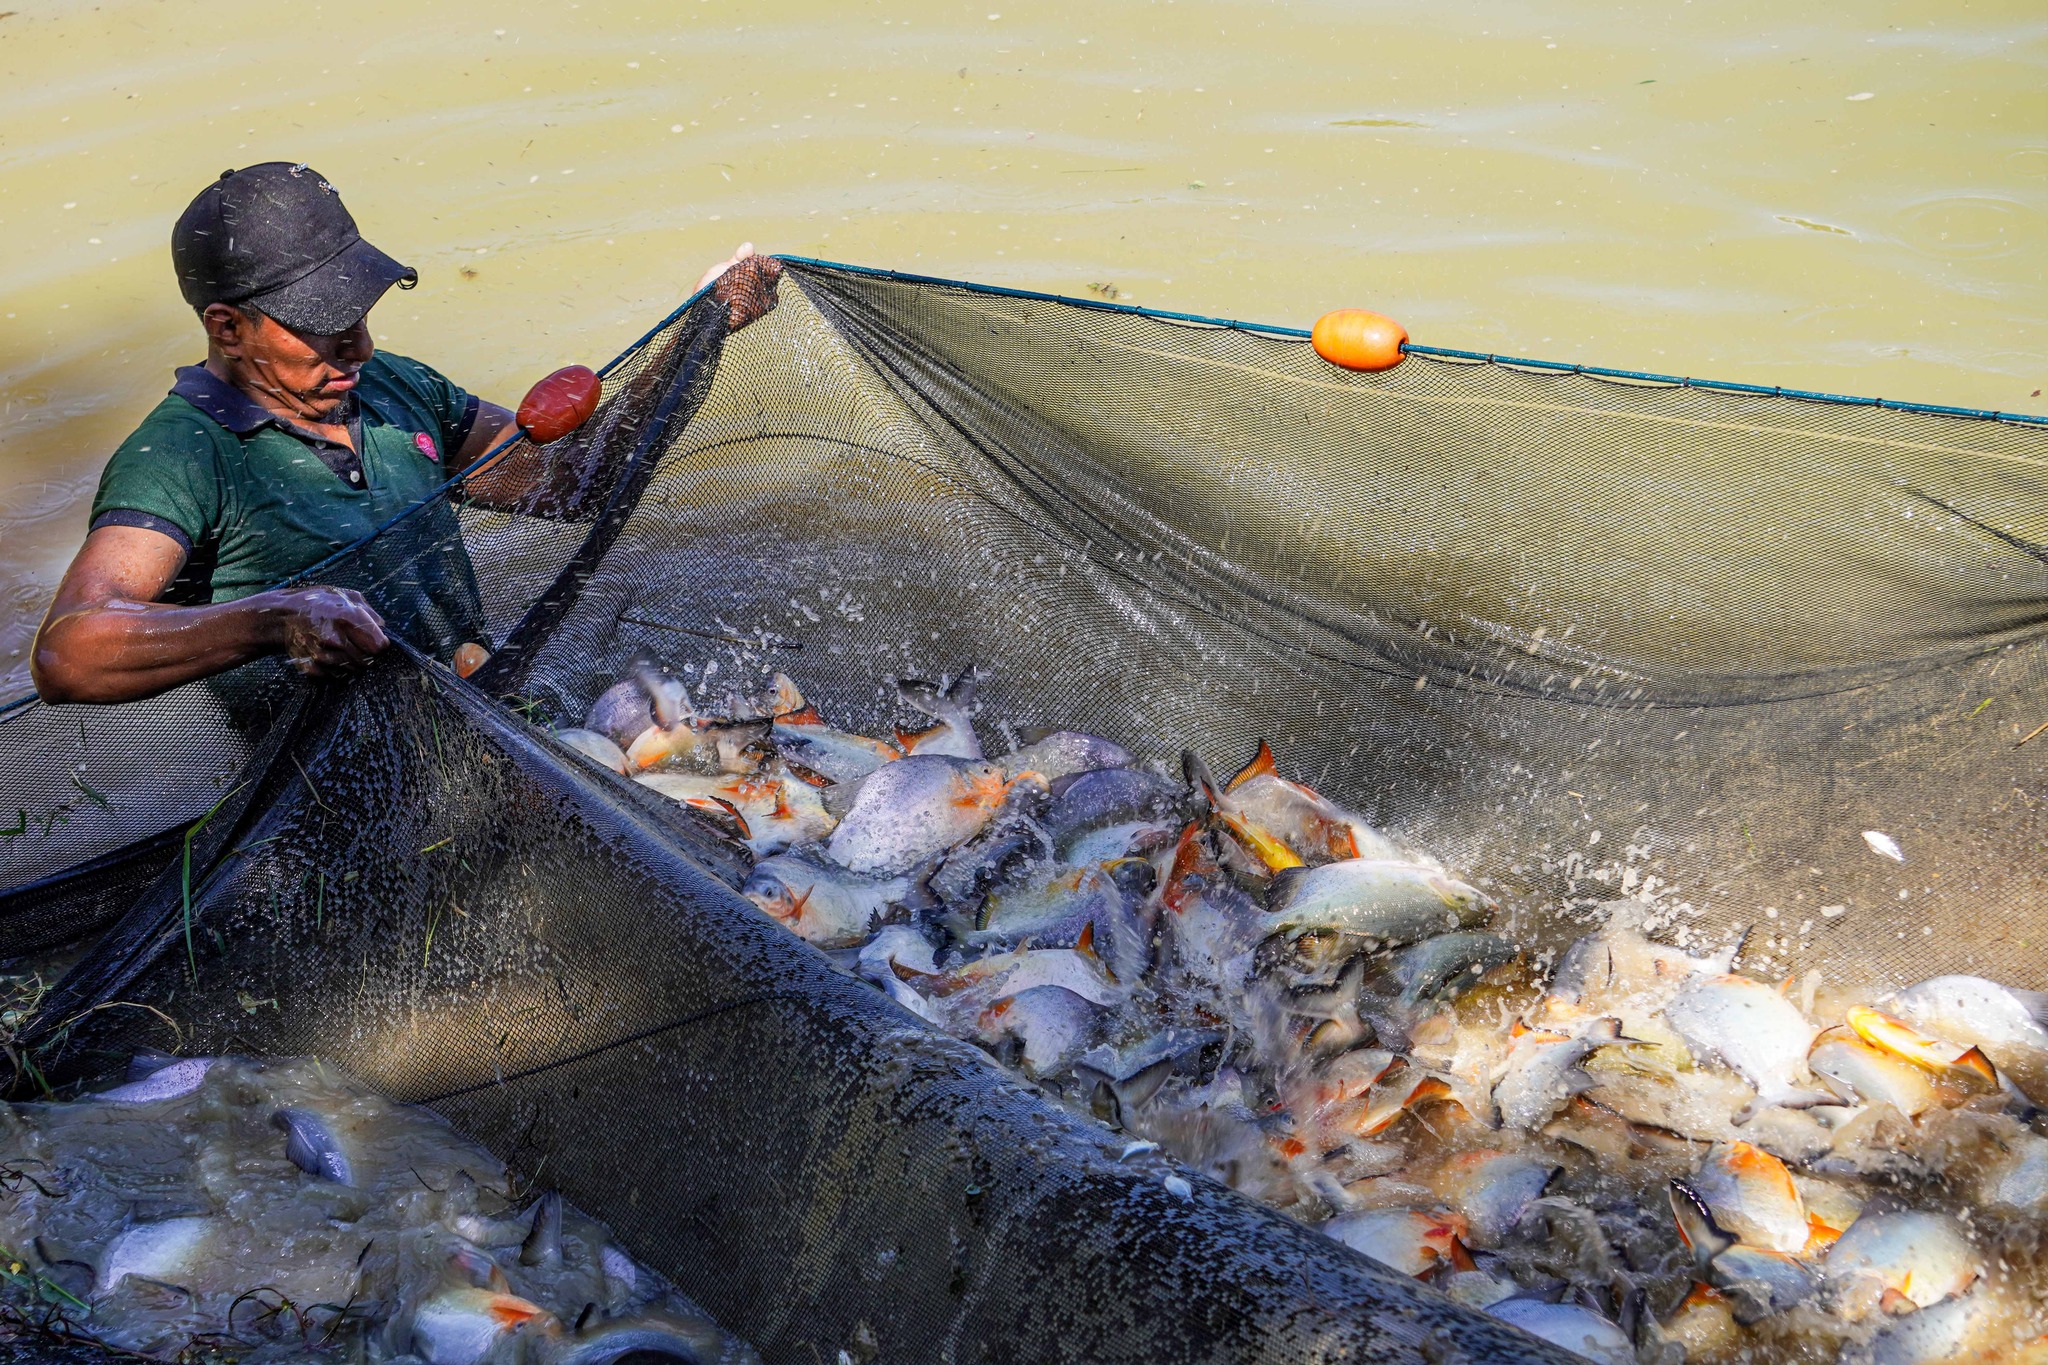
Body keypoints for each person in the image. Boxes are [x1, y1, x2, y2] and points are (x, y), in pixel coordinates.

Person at [30, 161, 781, 705]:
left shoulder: (393, 389)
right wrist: (278, 619)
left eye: (358, 312)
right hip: (319, 782)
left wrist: (699, 332)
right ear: (227, 327)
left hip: (469, 706)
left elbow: (577, 485)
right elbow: (70, 649)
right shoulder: (182, 456)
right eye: (323, 325)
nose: (358, 345)